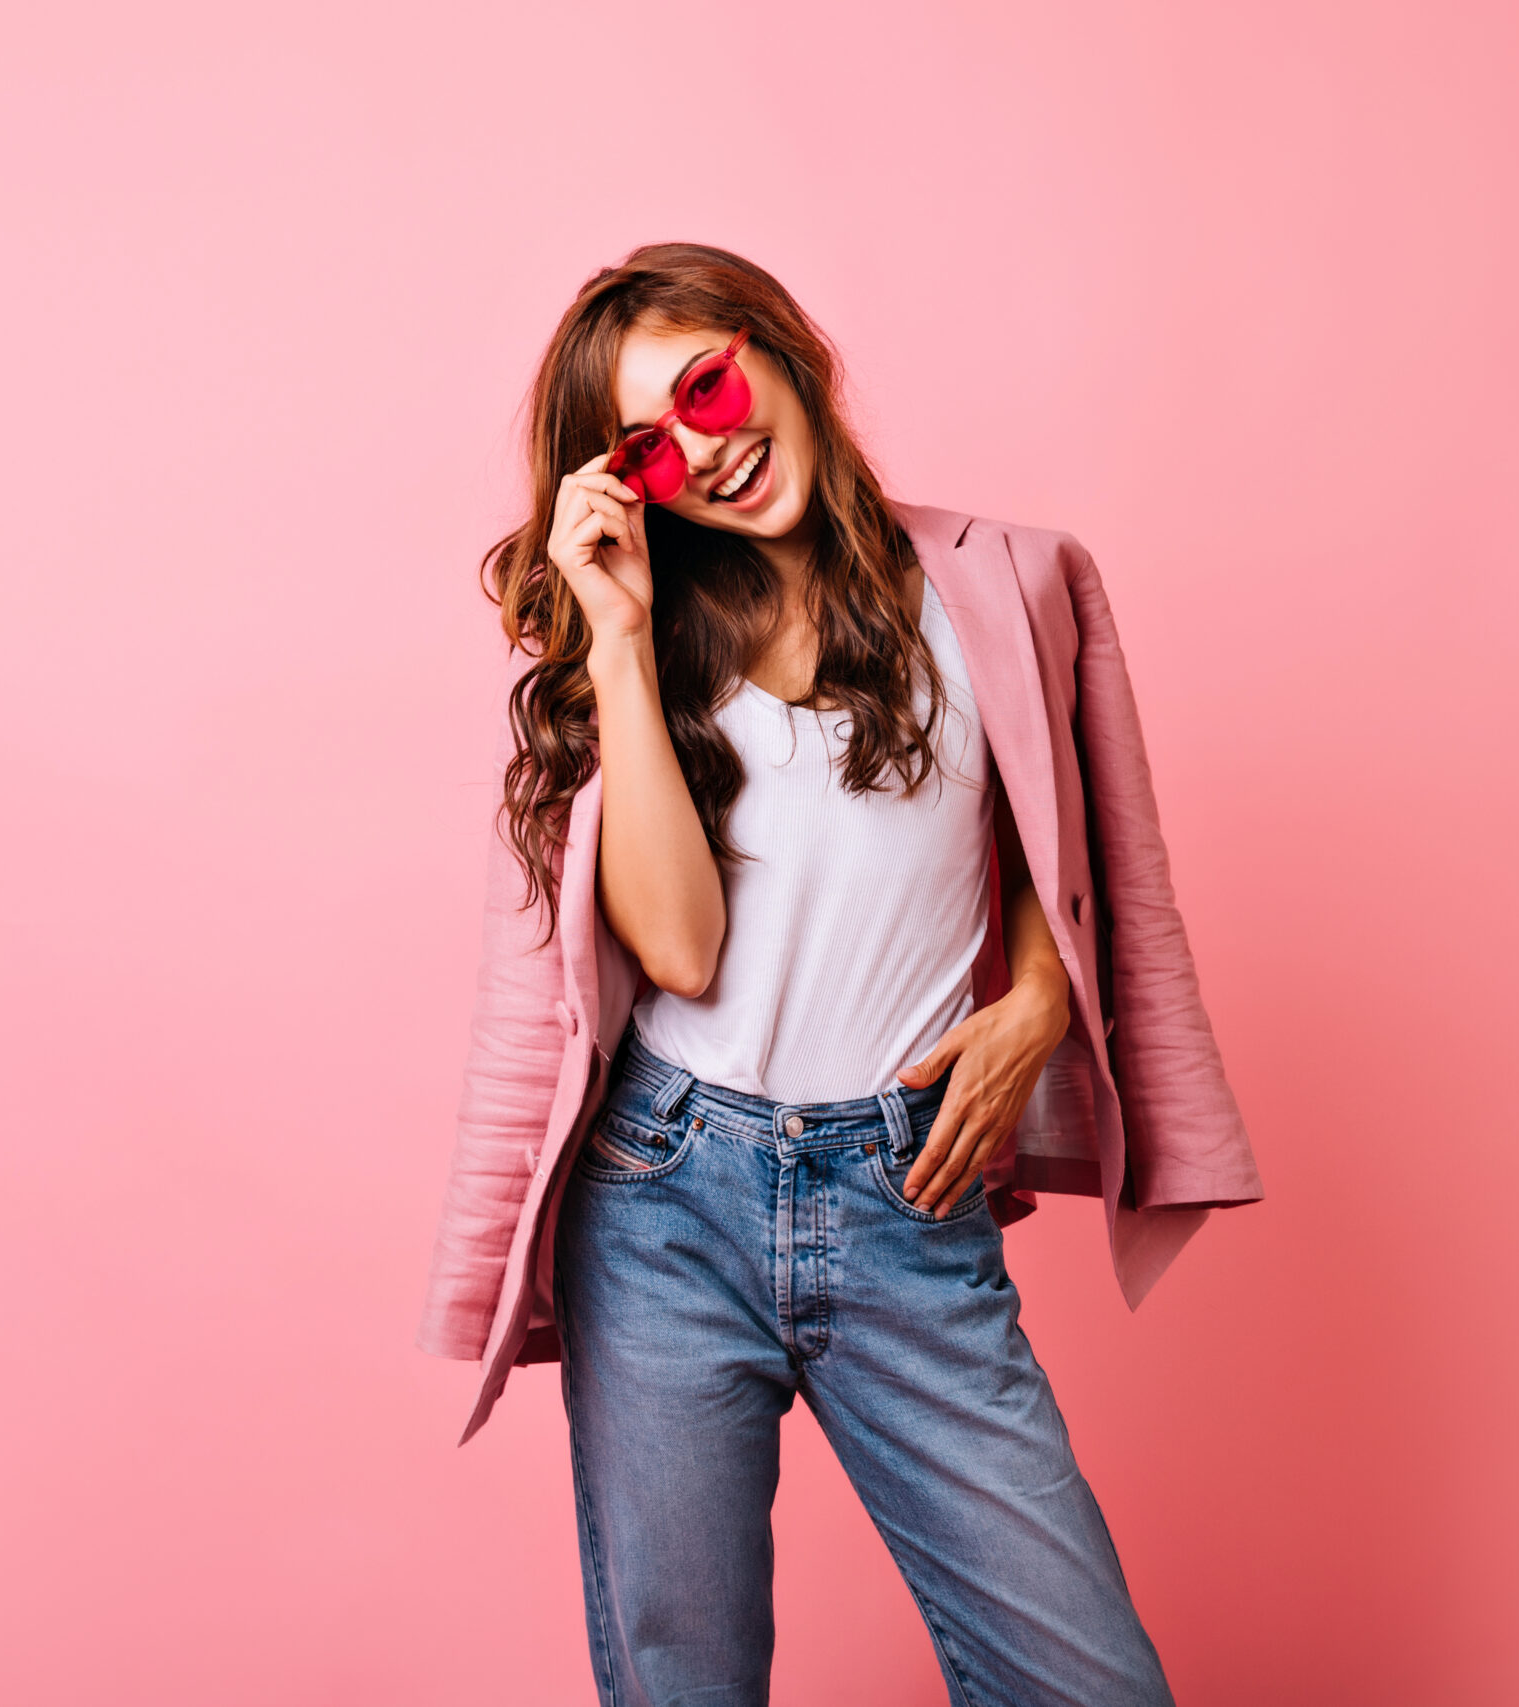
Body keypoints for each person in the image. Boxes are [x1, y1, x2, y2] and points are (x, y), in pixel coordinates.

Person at [419, 242, 1264, 1707]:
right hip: (666, 1201)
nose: (708, 445)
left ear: (781, 346)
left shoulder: (1007, 580)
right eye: (653, 443)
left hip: (905, 1201)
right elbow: (677, 949)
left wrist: (1042, 1004)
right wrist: (616, 638)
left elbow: (1063, 846)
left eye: (709, 383)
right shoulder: (648, 650)